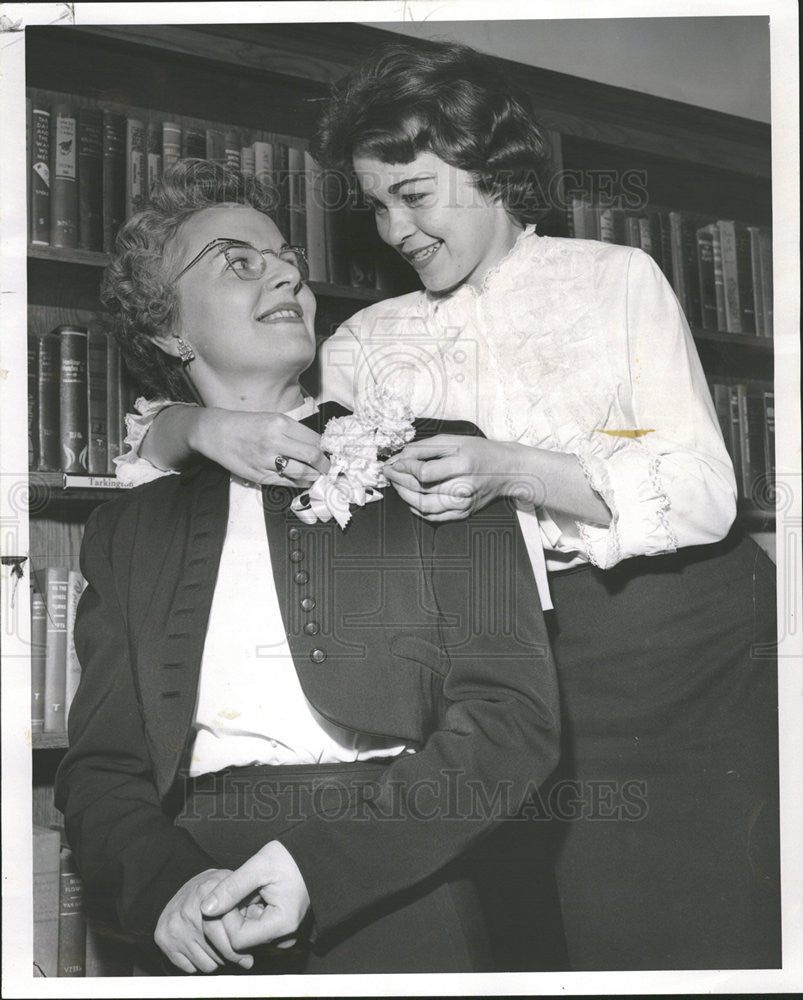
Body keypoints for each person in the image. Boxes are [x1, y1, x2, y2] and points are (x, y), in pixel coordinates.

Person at [111, 42, 781, 971]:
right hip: (505, 680)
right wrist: (188, 424)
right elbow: (217, 431)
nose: (392, 229)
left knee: (692, 937)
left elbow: (706, 492)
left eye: (414, 196)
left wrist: (512, 468)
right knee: (539, 946)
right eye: (376, 206)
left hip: (676, 656)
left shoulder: (614, 279)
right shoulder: (359, 342)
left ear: (490, 170)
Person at [54, 159, 561, 976]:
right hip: (196, 898)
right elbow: (104, 767)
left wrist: (315, 868)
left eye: (286, 256)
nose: (287, 269)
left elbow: (511, 722)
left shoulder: (437, 455)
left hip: (402, 874)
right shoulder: (128, 528)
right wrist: (168, 891)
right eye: (238, 261)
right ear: (168, 331)